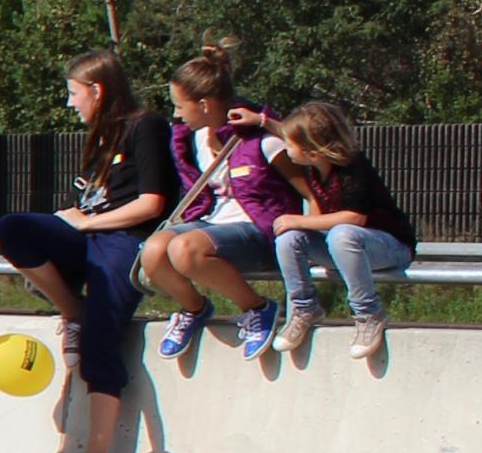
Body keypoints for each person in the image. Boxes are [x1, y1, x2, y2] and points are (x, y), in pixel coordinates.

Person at [0, 50, 168, 453]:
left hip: (124, 239)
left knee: (101, 337)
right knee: (14, 228)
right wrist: (68, 219)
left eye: (74, 93)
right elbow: (87, 202)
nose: (70, 103)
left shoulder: (145, 126)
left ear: (97, 90)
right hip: (89, 233)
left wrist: (89, 223)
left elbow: (151, 203)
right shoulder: (99, 138)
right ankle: (74, 310)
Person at [140, 45, 291, 361]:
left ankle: (257, 307)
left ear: (204, 105)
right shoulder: (191, 138)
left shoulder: (256, 135)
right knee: (153, 252)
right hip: (214, 221)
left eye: (180, 106)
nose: (177, 114)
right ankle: (194, 308)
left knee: (185, 250)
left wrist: (266, 121)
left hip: (256, 226)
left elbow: (304, 163)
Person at [266, 100, 417, 367]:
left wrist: (300, 220)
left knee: (341, 233)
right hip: (345, 250)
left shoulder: (353, 168)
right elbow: (291, 133)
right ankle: (304, 307)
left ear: (313, 152)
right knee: (289, 239)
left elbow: (355, 217)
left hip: (389, 247)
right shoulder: (314, 168)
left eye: (289, 145)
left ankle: (369, 313)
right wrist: (261, 121)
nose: (285, 149)